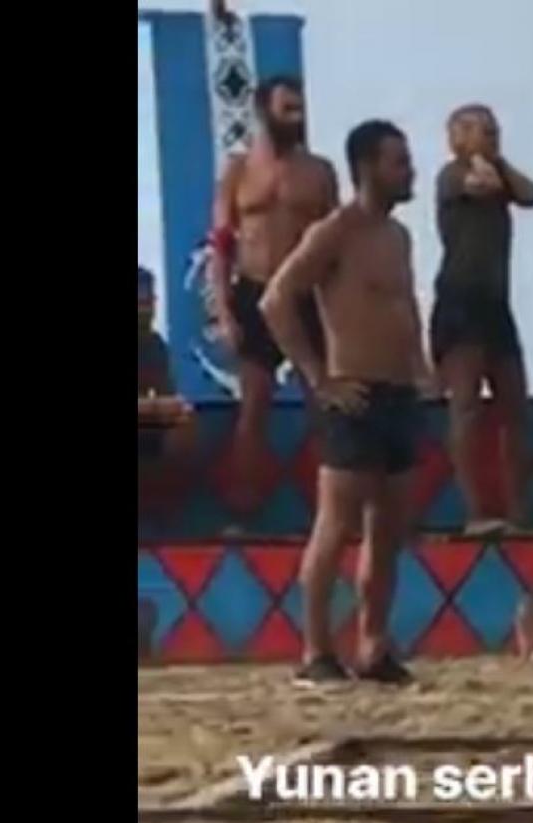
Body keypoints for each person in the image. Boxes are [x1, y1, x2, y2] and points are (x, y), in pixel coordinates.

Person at [261, 120, 434, 686]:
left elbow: (404, 305)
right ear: (368, 168)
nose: (409, 171)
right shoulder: (334, 232)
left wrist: (421, 366)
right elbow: (276, 300)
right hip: (353, 392)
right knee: (335, 525)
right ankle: (316, 649)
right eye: (398, 162)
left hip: (399, 394)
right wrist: (319, 377)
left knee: (388, 530)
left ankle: (373, 645)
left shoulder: (398, 236)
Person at [208, 76, 338, 507]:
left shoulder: (318, 171)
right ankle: (243, 508)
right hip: (254, 290)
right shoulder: (239, 170)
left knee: (321, 401)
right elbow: (221, 241)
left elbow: (336, 241)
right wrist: (224, 310)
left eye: (300, 109)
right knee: (254, 404)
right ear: (264, 111)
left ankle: (334, 510)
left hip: (304, 294)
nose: (296, 118)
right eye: (287, 109)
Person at [429, 104, 533, 534]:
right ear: (456, 138)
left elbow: (531, 195)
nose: (492, 135)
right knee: (467, 405)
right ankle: (475, 510)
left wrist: (500, 160)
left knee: (515, 406)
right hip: (461, 299)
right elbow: (482, 185)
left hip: (496, 303)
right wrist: (483, 160)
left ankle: (519, 509)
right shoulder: (452, 175)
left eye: (494, 129)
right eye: (480, 129)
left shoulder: (500, 175)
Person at [138, 266, 192, 451]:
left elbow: (167, 393)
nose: (146, 310)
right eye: (140, 302)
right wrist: (155, 407)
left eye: (149, 301)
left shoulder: (155, 345)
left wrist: (174, 408)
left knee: (185, 422)